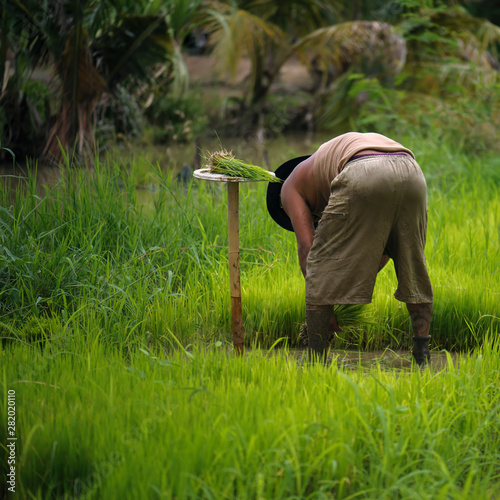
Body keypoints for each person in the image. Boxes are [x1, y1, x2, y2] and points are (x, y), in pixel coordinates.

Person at [266, 132, 433, 365]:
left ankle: (316, 359)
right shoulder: (326, 162)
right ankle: (422, 356)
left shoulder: (288, 188)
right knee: (413, 266)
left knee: (319, 262)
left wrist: (326, 303)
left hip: (363, 169)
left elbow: (308, 248)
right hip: (412, 173)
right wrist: (345, 286)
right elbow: (381, 250)